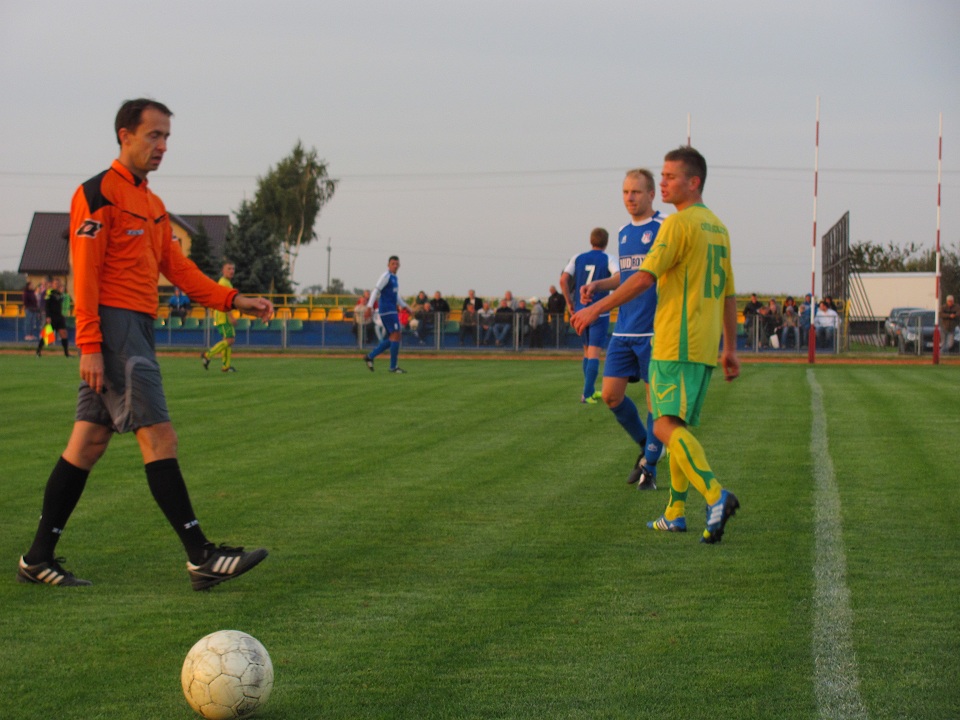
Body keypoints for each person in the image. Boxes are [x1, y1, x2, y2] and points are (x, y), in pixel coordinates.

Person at [17, 98, 274, 589]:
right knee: (159, 437)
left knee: (88, 442)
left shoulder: (153, 205)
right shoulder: (97, 194)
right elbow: (84, 274)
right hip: (114, 330)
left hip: (135, 326)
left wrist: (234, 299)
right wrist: (89, 342)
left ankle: (37, 558)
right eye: (153, 135)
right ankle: (201, 555)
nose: (162, 146)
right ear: (124, 135)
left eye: (167, 138)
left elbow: (176, 269)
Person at [572, 146, 740, 543]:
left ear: (693, 182)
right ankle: (675, 511)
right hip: (702, 345)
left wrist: (596, 309)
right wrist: (730, 348)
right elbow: (730, 295)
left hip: (672, 341)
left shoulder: (677, 225)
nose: (662, 182)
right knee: (673, 423)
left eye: (669, 176)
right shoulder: (717, 227)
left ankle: (716, 495)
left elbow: (645, 277)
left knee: (663, 424)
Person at [578, 169, 665, 489]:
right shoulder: (624, 232)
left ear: (652, 194)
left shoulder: (665, 227)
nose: (630, 198)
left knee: (655, 402)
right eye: (626, 192)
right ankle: (648, 448)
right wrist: (600, 284)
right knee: (612, 396)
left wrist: (598, 307)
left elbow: (649, 277)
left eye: (636, 192)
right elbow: (628, 276)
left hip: (654, 331)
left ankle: (650, 469)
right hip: (624, 328)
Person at [561, 227, 619, 404]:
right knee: (594, 352)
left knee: (586, 352)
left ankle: (590, 390)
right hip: (598, 312)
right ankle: (587, 394)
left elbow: (563, 279)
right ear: (606, 242)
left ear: (591, 240)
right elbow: (619, 276)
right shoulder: (609, 258)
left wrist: (569, 301)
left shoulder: (577, 257)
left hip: (580, 310)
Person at [364, 255, 410, 373]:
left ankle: (370, 357)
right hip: (387, 310)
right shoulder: (386, 276)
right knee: (396, 335)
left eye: (396, 264)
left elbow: (396, 296)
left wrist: (406, 307)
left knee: (394, 337)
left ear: (399, 265)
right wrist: (369, 306)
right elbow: (376, 290)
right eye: (392, 264)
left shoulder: (395, 278)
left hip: (391, 310)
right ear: (388, 265)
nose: (395, 266)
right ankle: (393, 367)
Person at [201, 263, 239, 372]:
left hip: (221, 315)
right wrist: (230, 316)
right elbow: (225, 301)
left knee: (227, 340)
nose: (231, 271)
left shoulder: (226, 283)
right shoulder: (224, 283)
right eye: (229, 268)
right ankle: (208, 355)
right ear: (223, 271)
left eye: (233, 269)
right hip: (223, 316)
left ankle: (226, 366)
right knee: (230, 340)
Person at [37, 277, 71, 357]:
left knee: (63, 334)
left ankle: (66, 353)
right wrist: (48, 316)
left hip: (59, 317)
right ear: (52, 284)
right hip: (52, 317)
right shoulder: (49, 293)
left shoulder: (60, 294)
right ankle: (38, 351)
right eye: (55, 283)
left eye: (58, 283)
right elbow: (47, 305)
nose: (57, 285)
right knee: (46, 335)